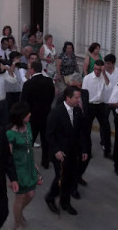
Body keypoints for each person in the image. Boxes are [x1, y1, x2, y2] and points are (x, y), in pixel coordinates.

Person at [45, 86, 88, 215]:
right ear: (68, 98)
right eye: (76, 97)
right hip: (60, 153)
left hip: (73, 151)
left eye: (79, 97)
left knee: (70, 178)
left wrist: (84, 149)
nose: (78, 100)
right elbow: (49, 134)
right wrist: (56, 151)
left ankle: (65, 202)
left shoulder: (77, 111)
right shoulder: (56, 112)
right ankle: (51, 197)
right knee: (61, 177)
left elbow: (81, 132)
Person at [6, 102, 37, 229]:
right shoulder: (10, 133)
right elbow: (8, 157)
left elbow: (29, 146)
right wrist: (11, 178)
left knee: (31, 195)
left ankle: (19, 213)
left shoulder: (28, 125)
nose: (30, 114)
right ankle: (17, 222)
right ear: (20, 116)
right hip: (18, 170)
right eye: (26, 113)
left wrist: (33, 162)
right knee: (20, 197)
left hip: (29, 166)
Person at [21, 61, 55, 169]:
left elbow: (24, 103)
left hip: (32, 117)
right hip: (46, 115)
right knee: (46, 140)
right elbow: (51, 97)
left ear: (32, 70)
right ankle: (45, 161)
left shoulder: (28, 84)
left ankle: (27, 162)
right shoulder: (49, 81)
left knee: (29, 141)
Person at [82, 60, 112, 158]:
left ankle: (107, 151)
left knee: (106, 128)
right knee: (86, 129)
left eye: (99, 70)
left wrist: (104, 74)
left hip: (100, 105)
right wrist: (85, 110)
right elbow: (84, 95)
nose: (97, 71)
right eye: (95, 69)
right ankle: (87, 151)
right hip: (90, 105)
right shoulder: (87, 78)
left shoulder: (104, 77)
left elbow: (110, 87)